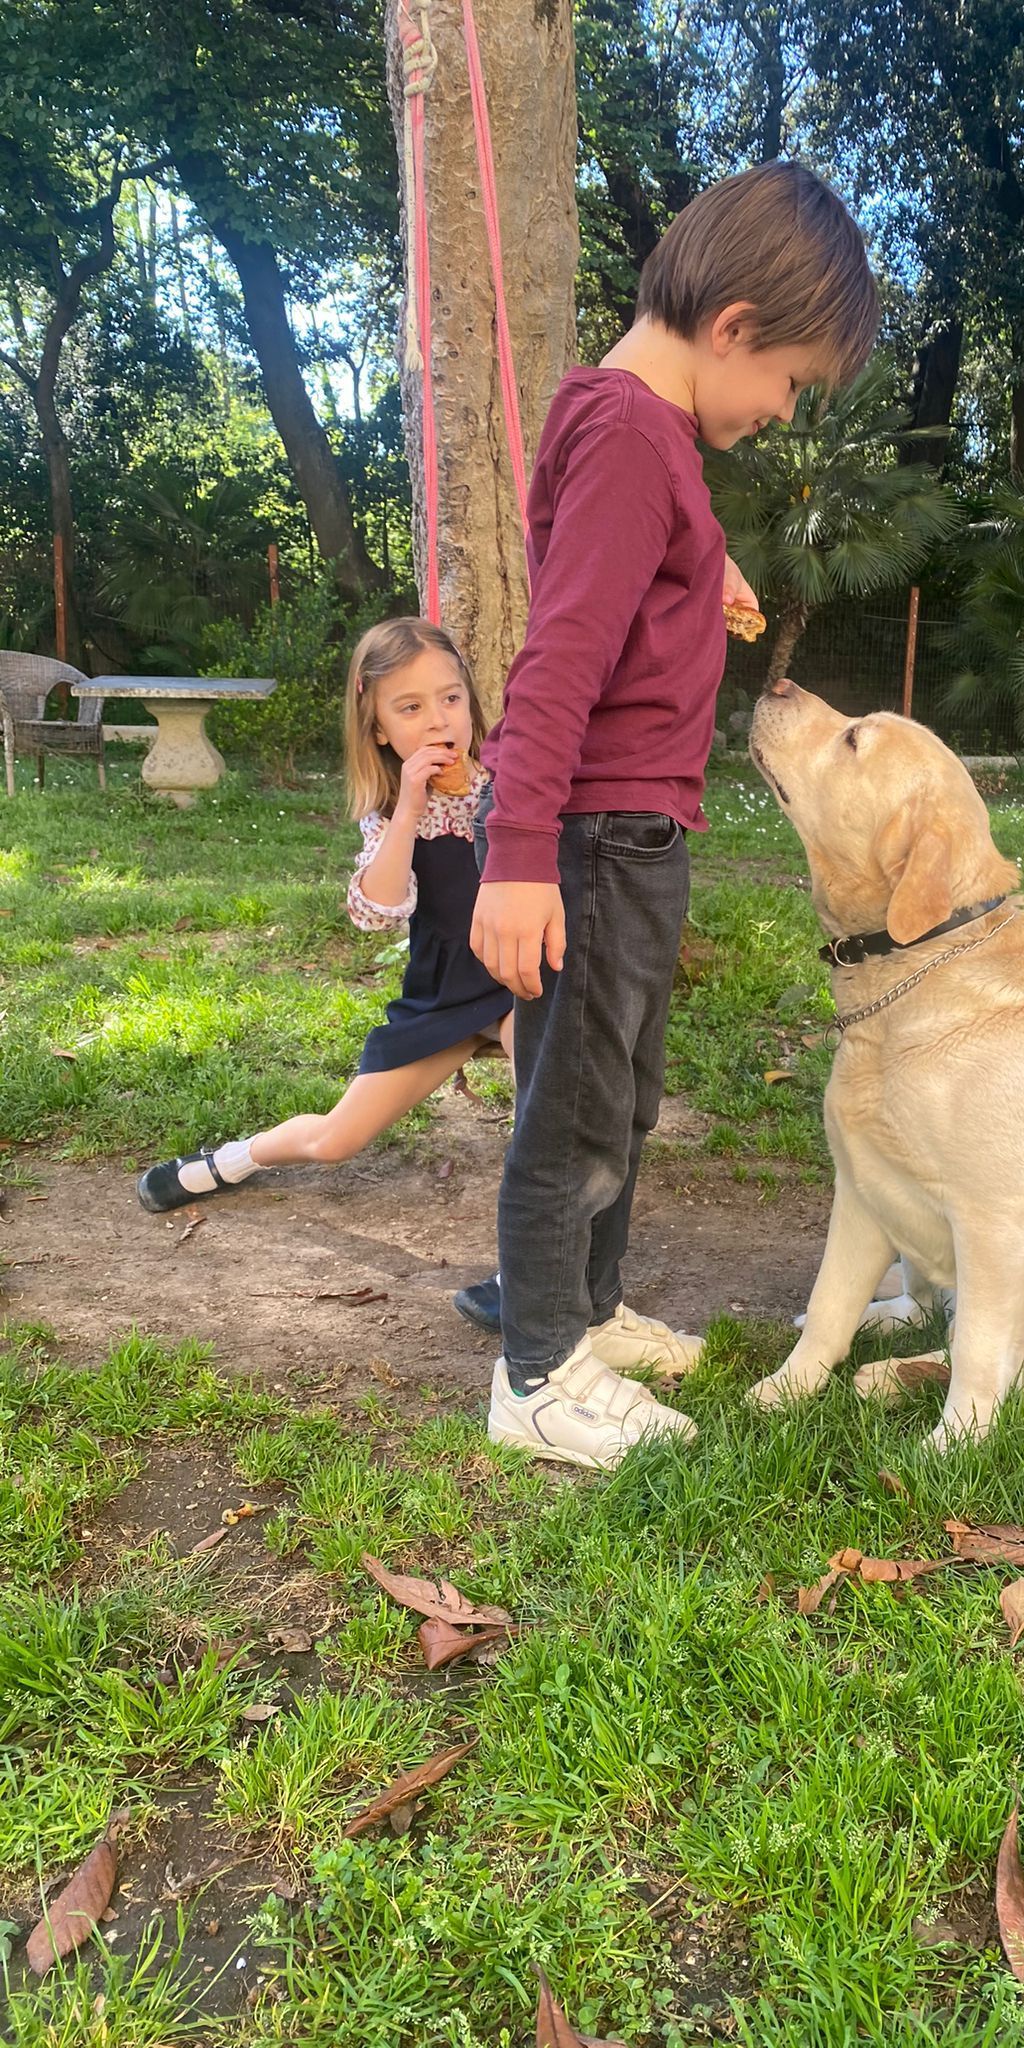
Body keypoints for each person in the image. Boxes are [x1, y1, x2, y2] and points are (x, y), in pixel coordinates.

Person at [467, 160, 879, 1470]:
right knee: (576, 1111)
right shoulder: (636, 437)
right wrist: (520, 853)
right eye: (793, 384)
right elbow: (561, 657)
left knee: (620, 1095)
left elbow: (633, 564)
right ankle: (537, 1375)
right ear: (737, 327)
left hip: (633, 837)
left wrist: (707, 574)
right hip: (589, 839)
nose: (782, 411)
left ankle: (583, 1312)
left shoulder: (642, 437)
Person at [137, 618, 515, 1228]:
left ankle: (533, 1267)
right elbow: (376, 911)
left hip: (518, 974)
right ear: (381, 729)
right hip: (445, 992)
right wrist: (410, 808)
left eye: (450, 698)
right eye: (411, 707)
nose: (440, 720)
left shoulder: (510, 781)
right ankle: (227, 1161)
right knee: (335, 1141)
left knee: (545, 1100)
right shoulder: (390, 811)